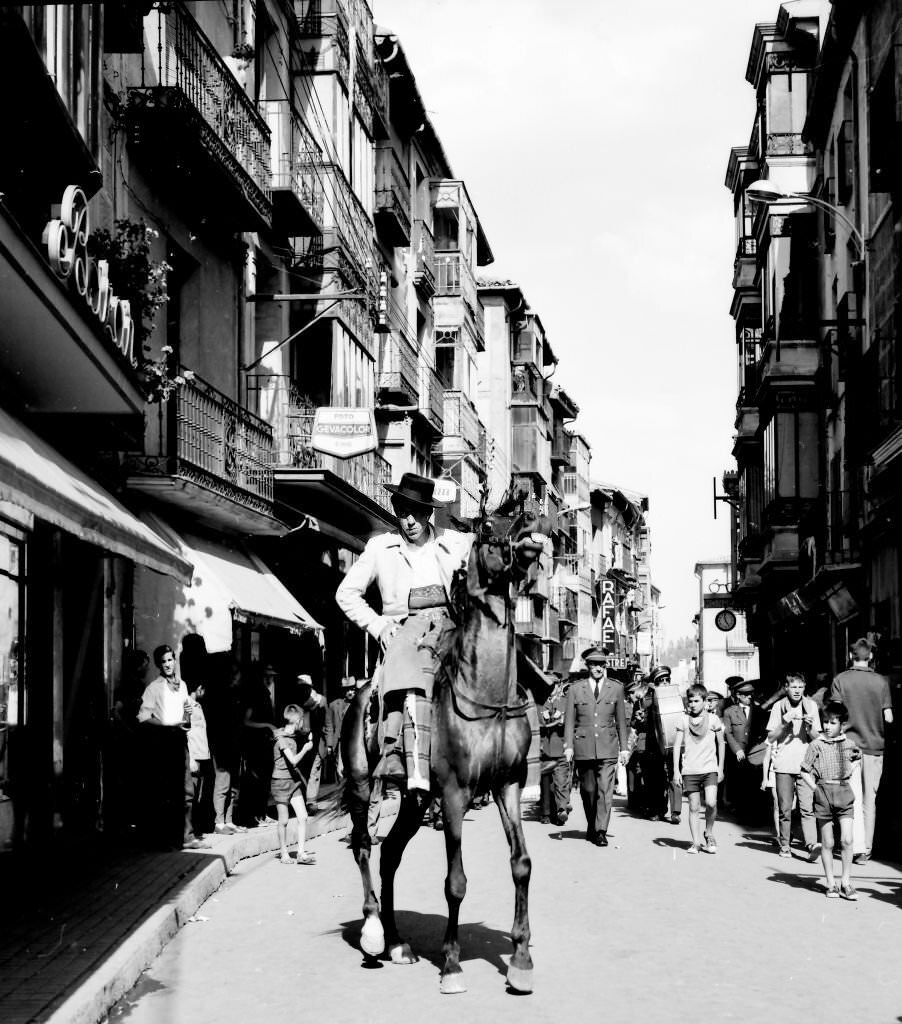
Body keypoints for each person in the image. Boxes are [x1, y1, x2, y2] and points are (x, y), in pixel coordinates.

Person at [335, 473, 472, 826]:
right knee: (408, 680)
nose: (408, 520)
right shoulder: (381, 547)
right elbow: (346, 594)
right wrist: (380, 626)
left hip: (448, 631)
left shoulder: (454, 543)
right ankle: (401, 759)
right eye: (402, 511)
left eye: (415, 512)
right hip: (403, 635)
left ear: (428, 513)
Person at [828, 637, 894, 865]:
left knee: (851, 797)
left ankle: (853, 846)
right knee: (870, 800)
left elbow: (835, 713)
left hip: (848, 747)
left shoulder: (840, 680)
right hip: (875, 747)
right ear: (872, 657)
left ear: (850, 656)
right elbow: (889, 717)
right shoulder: (881, 682)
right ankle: (866, 849)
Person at [136, 644, 209, 850]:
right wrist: (167, 725)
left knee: (187, 790)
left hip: (180, 739)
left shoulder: (182, 685)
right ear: (159, 665)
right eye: (164, 661)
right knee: (166, 791)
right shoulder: (154, 688)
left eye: (170, 660)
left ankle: (187, 836)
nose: (168, 664)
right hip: (163, 741)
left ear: (174, 661)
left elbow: (185, 716)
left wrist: (187, 713)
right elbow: (143, 717)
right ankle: (166, 839)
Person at [563, 647, 630, 847]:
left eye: (601, 665)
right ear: (588, 666)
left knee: (605, 790)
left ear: (605, 666)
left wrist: (624, 748)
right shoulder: (576, 689)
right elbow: (569, 721)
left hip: (608, 747)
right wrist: (568, 746)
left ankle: (601, 831)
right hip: (583, 746)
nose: (598, 668)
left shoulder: (616, 688)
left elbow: (621, 722)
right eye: (594, 665)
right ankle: (592, 825)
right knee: (589, 790)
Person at [800, 700, 861, 899]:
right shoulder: (815, 744)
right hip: (823, 793)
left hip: (844, 792)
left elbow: (856, 760)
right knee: (827, 842)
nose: (827, 726)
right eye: (825, 721)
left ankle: (846, 882)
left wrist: (851, 770)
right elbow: (804, 771)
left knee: (847, 839)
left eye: (832, 722)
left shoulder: (850, 744)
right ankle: (831, 883)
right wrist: (816, 789)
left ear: (842, 725)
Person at [766, 671, 821, 860]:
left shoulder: (811, 706)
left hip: (805, 765)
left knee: (808, 808)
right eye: (793, 687)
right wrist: (783, 723)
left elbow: (818, 739)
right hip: (783, 765)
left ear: (804, 688)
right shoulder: (777, 707)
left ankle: (812, 844)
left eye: (800, 687)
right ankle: (785, 845)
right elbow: (770, 738)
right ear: (786, 688)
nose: (797, 690)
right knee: (785, 808)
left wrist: (809, 728)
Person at [673, 685, 724, 854]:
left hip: (709, 769)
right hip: (690, 770)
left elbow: (721, 744)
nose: (693, 704)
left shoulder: (714, 720)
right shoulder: (683, 720)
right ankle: (695, 842)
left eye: (697, 701)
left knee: (711, 802)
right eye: (690, 701)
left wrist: (721, 768)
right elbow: (676, 747)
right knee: (694, 807)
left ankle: (709, 833)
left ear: (704, 701)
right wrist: (676, 771)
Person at [204, 657, 247, 836]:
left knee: (233, 784)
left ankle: (228, 820)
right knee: (223, 783)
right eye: (236, 673)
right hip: (222, 743)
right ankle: (219, 822)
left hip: (234, 743)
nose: (239, 677)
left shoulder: (235, 693)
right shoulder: (219, 695)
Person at [271, 703, 316, 865]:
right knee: (283, 820)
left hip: (293, 782)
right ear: (298, 721)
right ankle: (284, 854)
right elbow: (293, 760)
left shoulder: (290, 737)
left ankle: (301, 853)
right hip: (280, 783)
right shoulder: (281, 739)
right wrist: (306, 749)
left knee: (303, 817)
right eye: (302, 720)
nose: (303, 724)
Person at [644, 665, 683, 824]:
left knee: (675, 775)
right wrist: (652, 694)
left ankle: (675, 812)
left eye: (667, 680)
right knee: (656, 778)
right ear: (655, 683)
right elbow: (642, 715)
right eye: (661, 681)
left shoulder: (677, 696)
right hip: (655, 744)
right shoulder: (648, 699)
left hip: (674, 743)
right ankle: (658, 810)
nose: (665, 683)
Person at [722, 677, 763, 820]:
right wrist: (737, 749)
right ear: (738, 695)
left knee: (755, 785)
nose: (749, 697)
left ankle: (755, 815)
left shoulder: (758, 711)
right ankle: (742, 814)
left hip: (755, 754)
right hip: (738, 754)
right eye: (745, 695)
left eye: (751, 694)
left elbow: (762, 733)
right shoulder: (729, 712)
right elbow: (727, 732)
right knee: (740, 785)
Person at [538, 672, 571, 825]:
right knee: (545, 783)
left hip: (560, 746)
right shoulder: (539, 703)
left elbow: (570, 723)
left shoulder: (565, 701)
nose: (550, 688)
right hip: (544, 748)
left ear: (558, 686)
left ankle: (560, 811)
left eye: (553, 685)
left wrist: (561, 719)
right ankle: (545, 813)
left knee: (560, 781)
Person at [325, 676, 357, 783]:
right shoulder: (334, 705)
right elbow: (329, 725)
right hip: (339, 742)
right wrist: (329, 744)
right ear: (343, 691)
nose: (350, 692)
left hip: (355, 741)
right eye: (347, 689)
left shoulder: (359, 704)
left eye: (352, 689)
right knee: (340, 770)